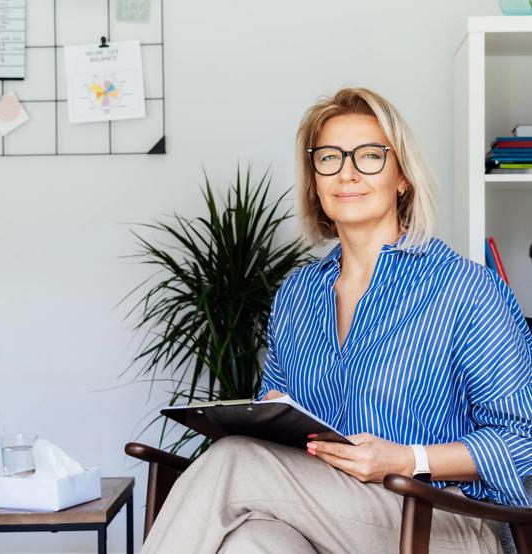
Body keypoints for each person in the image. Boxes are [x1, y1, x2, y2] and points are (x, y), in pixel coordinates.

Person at [140, 88, 532, 553]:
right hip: (325, 514)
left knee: (233, 463)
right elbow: (280, 407)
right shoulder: (297, 296)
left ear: (402, 176)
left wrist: (407, 458)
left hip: (440, 519)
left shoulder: (465, 289)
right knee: (250, 541)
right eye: (328, 158)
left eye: (369, 156)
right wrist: (268, 413)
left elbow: (522, 440)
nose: (346, 172)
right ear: (315, 179)